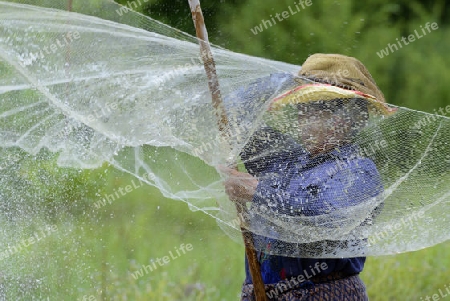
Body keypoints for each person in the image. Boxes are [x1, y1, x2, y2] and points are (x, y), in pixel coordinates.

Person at [222, 54, 393, 300]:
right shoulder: (287, 160)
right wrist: (284, 81)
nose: (302, 121)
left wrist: (256, 191)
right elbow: (231, 115)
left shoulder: (358, 171)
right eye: (301, 111)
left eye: (313, 113)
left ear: (345, 121)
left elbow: (322, 215)